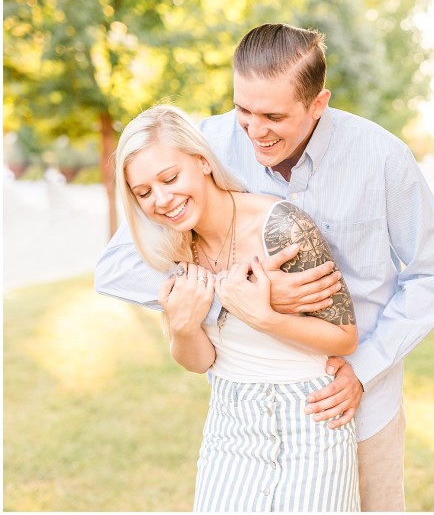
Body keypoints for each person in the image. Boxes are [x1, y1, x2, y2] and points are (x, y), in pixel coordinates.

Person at [95, 22, 434, 511]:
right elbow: (118, 265)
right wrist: (237, 294)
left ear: (318, 104)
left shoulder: (382, 158)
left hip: (359, 402)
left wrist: (363, 370)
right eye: (242, 109)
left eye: (272, 115)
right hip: (247, 415)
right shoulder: (204, 145)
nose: (254, 129)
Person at [115, 104, 360, 511]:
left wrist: (263, 317)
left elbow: (344, 337)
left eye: (170, 178)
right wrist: (183, 327)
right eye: (143, 193)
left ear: (202, 162)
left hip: (311, 423)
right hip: (230, 427)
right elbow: (199, 362)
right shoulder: (174, 246)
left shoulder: (282, 226)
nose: (162, 199)